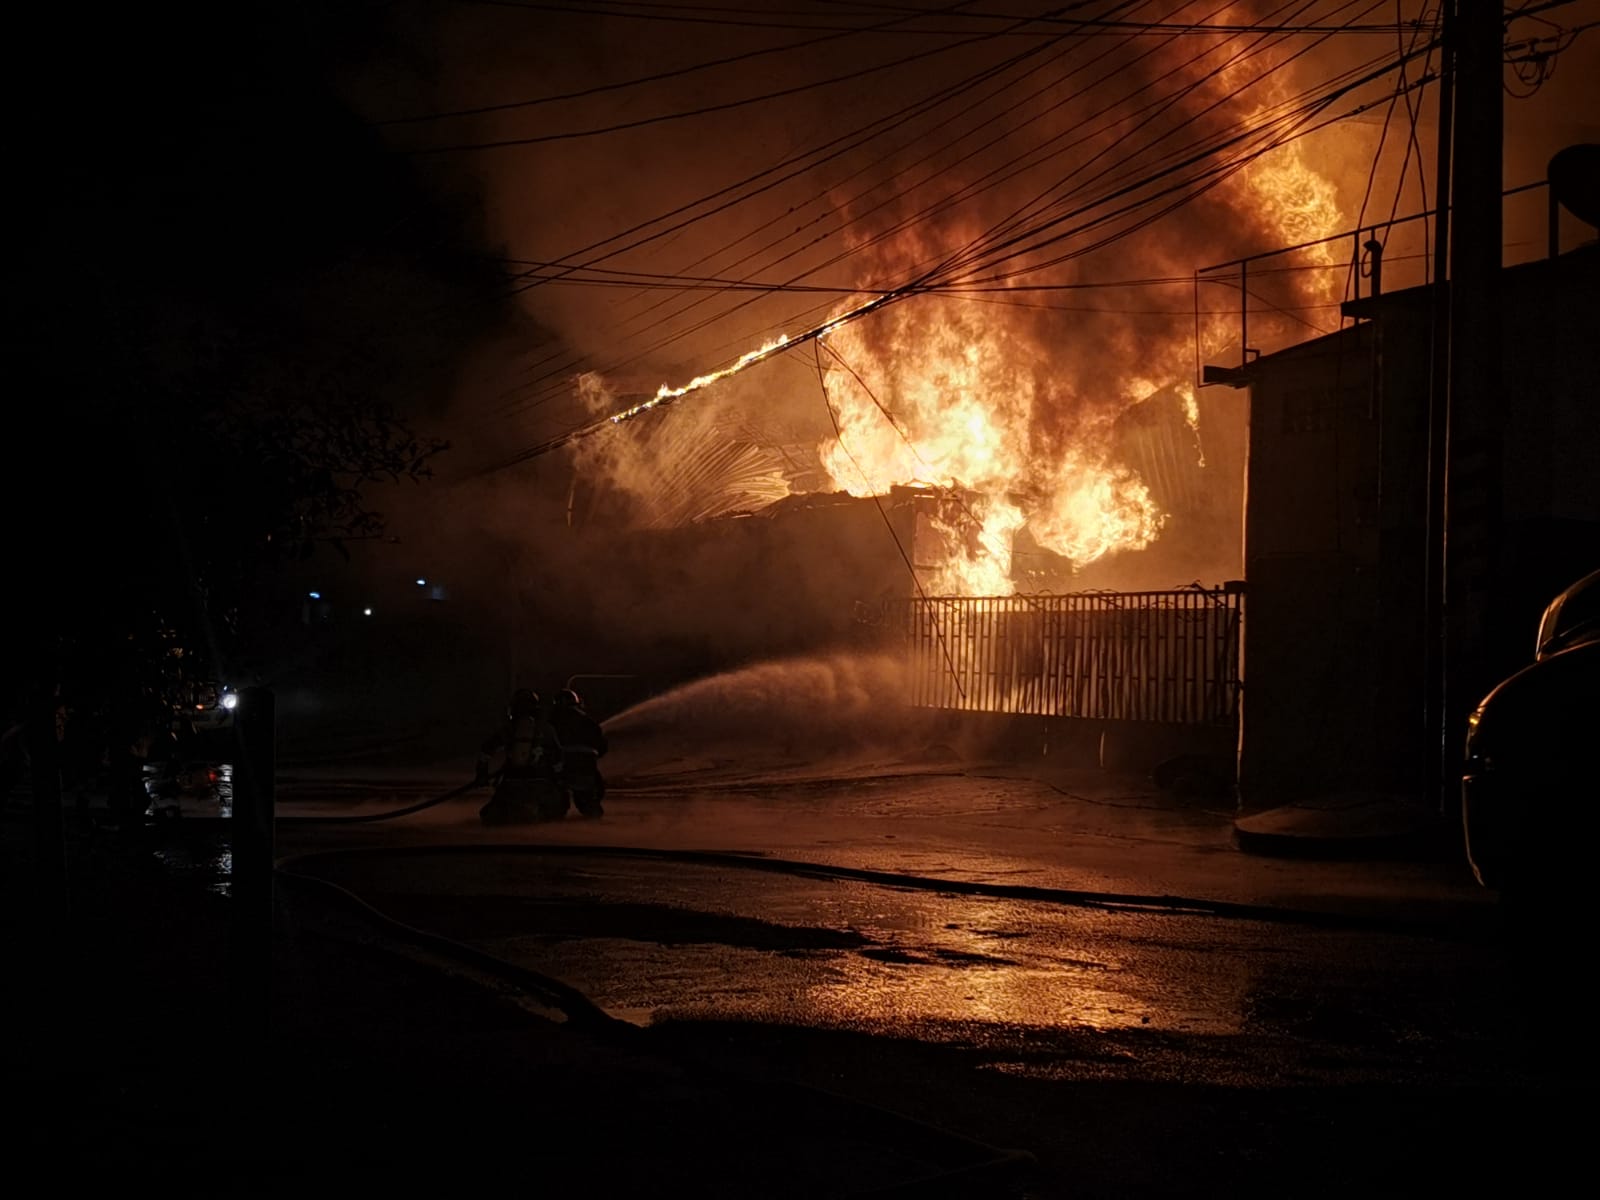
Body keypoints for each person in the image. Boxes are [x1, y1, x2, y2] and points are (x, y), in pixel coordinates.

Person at [476, 689, 567, 824]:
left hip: (511, 781)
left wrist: (482, 773)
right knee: (558, 809)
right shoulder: (546, 729)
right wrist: (559, 778)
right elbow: (558, 755)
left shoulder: (508, 729)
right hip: (541, 781)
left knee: (489, 816)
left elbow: (486, 750)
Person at [550, 688, 608, 818]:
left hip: (560, 764)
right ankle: (591, 806)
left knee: (553, 786)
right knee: (589, 793)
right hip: (585, 764)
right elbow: (602, 745)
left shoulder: (551, 721)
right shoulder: (588, 720)